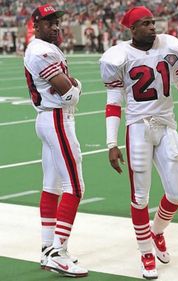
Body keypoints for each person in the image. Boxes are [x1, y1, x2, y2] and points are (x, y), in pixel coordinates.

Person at [99, 6, 178, 280]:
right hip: (138, 129)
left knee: (177, 194)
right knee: (139, 198)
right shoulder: (117, 56)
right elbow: (113, 103)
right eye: (145, 23)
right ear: (132, 29)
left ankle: (158, 231)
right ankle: (145, 253)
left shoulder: (172, 46)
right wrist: (111, 142)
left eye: (153, 22)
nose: (152, 27)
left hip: (166, 126)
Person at [24, 4, 88, 278]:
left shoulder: (42, 48)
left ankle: (47, 246)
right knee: (75, 186)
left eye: (57, 21)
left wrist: (70, 86)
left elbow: (65, 87)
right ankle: (58, 253)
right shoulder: (42, 51)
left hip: (48, 119)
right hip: (57, 119)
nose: (55, 26)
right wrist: (76, 86)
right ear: (36, 26)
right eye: (48, 22)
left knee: (51, 186)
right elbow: (70, 94)